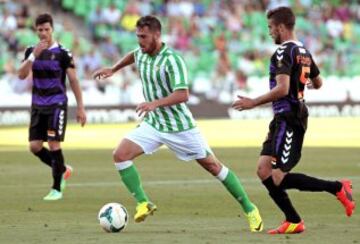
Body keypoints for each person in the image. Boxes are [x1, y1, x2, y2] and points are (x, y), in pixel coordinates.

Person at [93, 15, 263, 232]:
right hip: (154, 124)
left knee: (213, 166)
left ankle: (250, 209)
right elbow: (132, 56)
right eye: (138, 36)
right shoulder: (141, 53)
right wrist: (114, 69)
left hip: (180, 126)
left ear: (157, 35)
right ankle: (144, 203)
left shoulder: (172, 59)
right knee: (120, 154)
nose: (140, 41)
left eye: (144, 37)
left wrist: (155, 103)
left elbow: (183, 94)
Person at [232, 6, 355, 234]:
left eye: (270, 28)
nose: (269, 33)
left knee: (277, 177)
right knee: (263, 170)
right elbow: (318, 83)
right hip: (283, 118)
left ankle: (338, 188)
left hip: (289, 118)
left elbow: (282, 89)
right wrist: (302, 83)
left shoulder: (282, 53)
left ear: (280, 27)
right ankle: (293, 219)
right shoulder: (304, 52)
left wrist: (252, 102)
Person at [18, 13, 86, 201]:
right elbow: (21, 75)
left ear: (52, 29)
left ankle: (56, 188)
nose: (43, 33)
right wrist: (33, 56)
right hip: (38, 105)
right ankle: (63, 169)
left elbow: (74, 80)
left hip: (56, 104)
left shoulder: (64, 53)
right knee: (34, 146)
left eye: (46, 29)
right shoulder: (30, 51)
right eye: (40, 30)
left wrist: (80, 107)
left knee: (54, 144)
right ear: (36, 30)